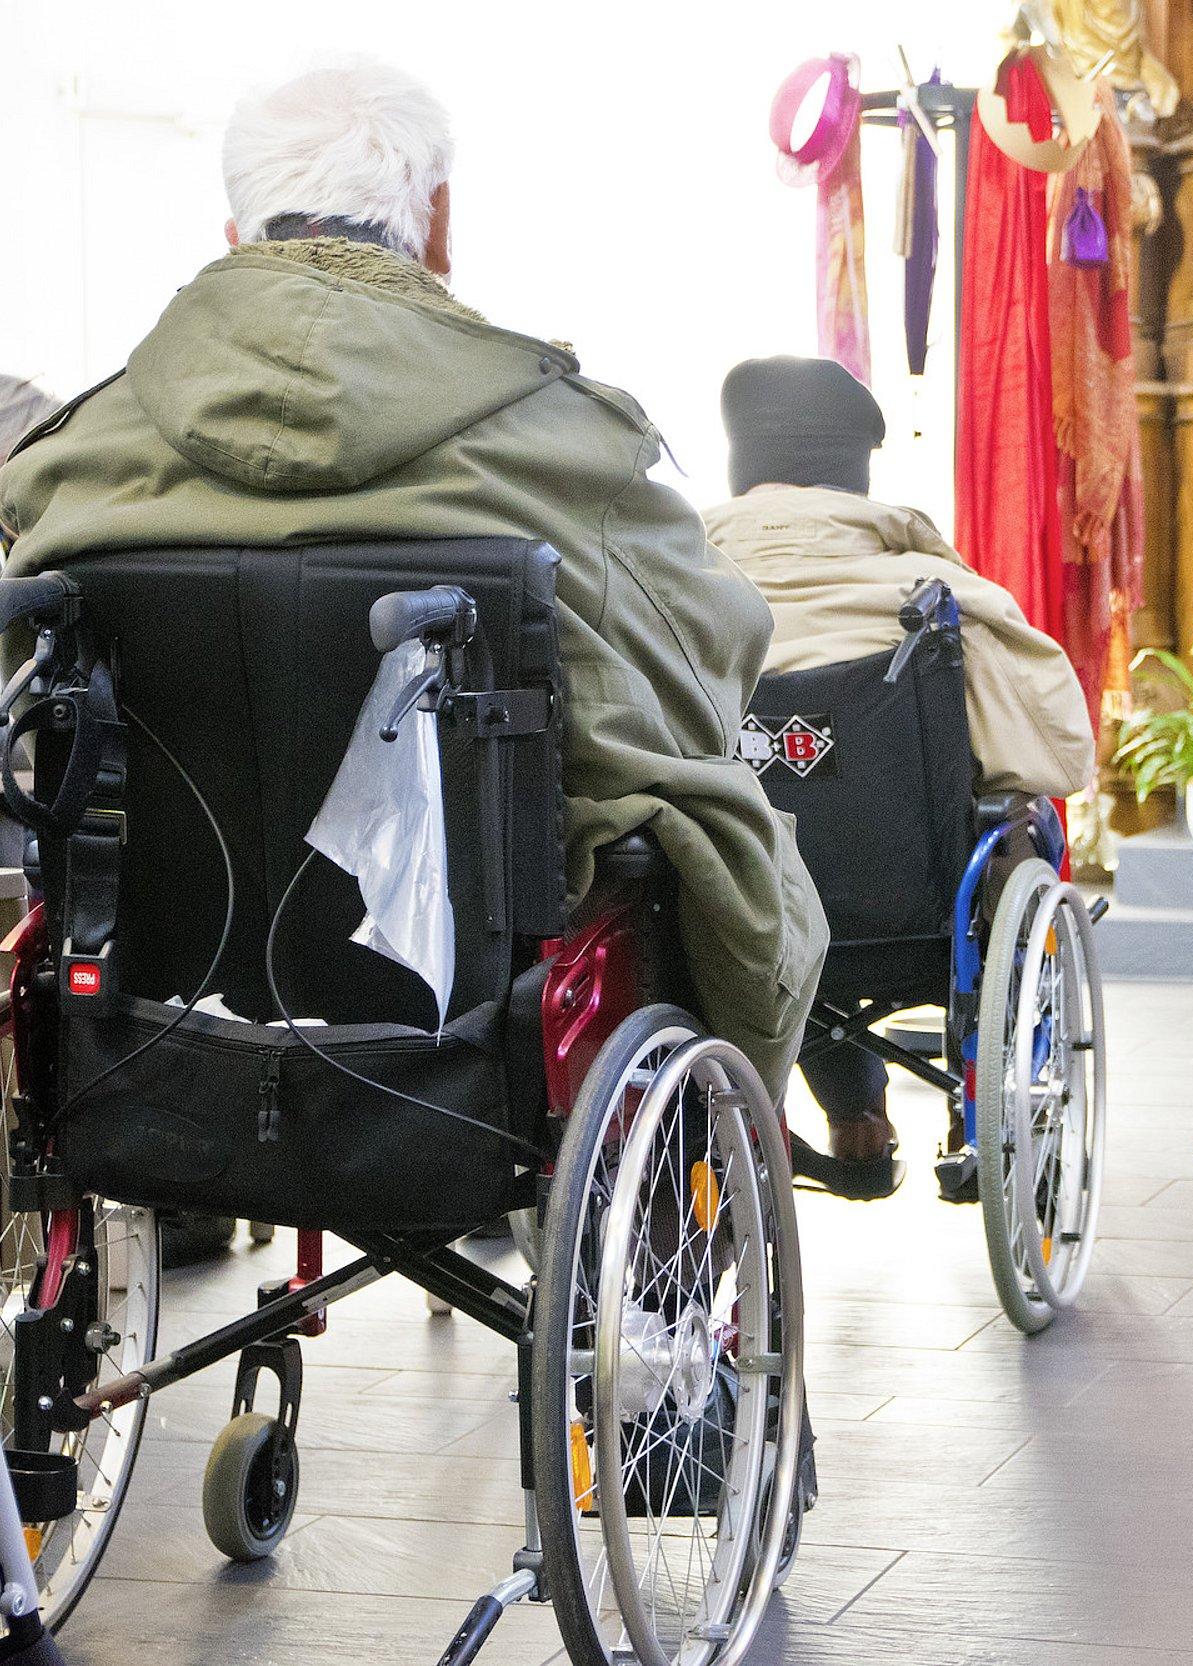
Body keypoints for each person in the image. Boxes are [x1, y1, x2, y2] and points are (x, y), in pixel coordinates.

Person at [0, 58, 826, 1105]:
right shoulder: (569, 438)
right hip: (475, 971)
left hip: (159, 967)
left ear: (234, 236)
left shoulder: (74, 460)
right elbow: (708, 658)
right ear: (435, 224)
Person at [704, 355, 1095, 1198]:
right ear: (857, 474)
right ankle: (978, 1100)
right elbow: (1059, 758)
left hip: (731, 917)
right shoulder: (940, 596)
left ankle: (852, 1111)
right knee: (1014, 823)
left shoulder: (674, 595)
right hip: (910, 913)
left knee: (768, 856)